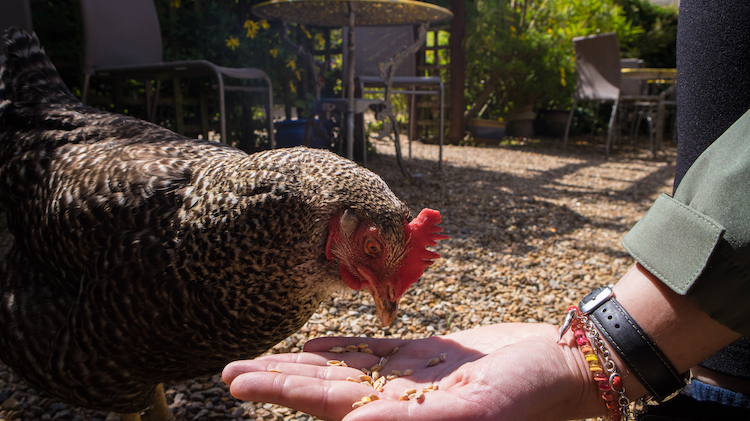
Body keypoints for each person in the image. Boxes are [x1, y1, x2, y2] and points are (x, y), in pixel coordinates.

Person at [222, 1, 750, 420]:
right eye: (375, 249)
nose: (386, 299)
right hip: (707, 370)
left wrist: (591, 354)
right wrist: (601, 350)